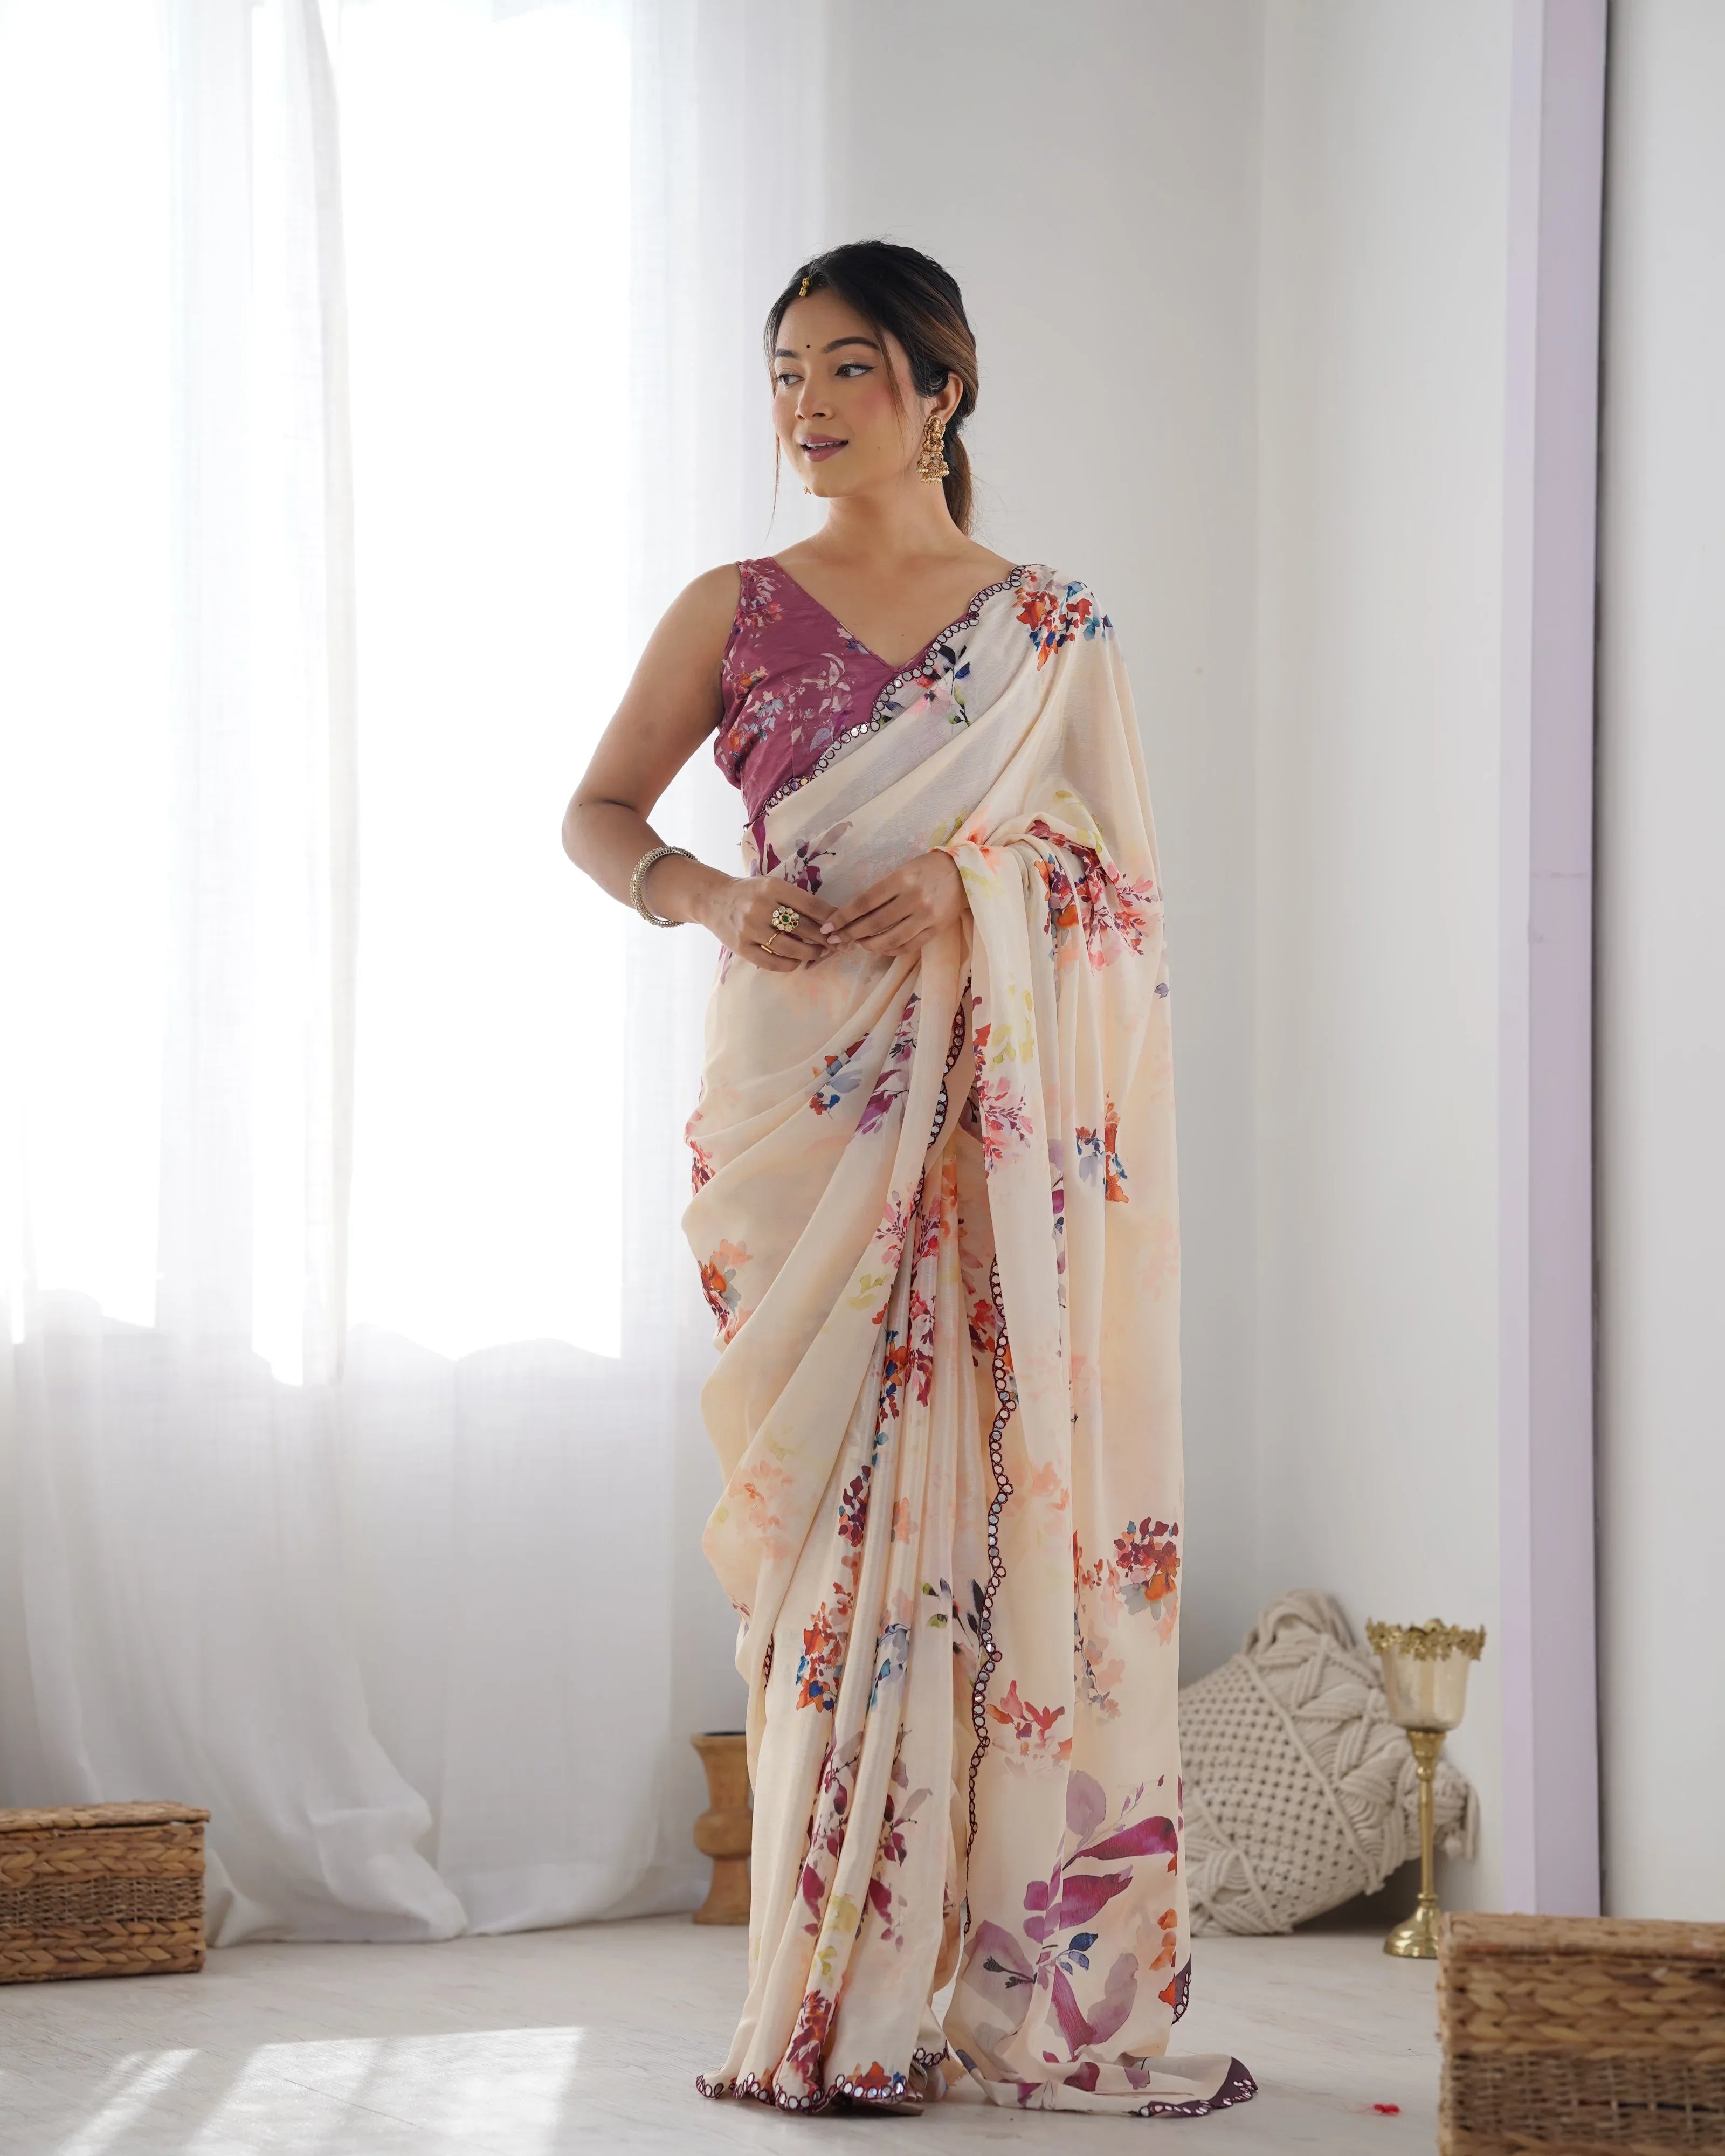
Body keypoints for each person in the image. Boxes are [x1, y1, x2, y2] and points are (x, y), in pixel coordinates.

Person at [561, 240, 1254, 2120]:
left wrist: (973, 882)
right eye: (785, 373)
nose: (805, 406)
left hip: (986, 1130)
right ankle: (835, 1994)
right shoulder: (734, 605)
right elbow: (599, 813)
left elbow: (1122, 895)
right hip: (803, 1111)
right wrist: (711, 898)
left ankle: (988, 1979)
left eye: (847, 368)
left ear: (941, 389)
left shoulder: (1051, 631)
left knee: (989, 1525)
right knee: (826, 1543)